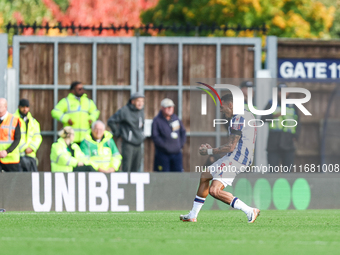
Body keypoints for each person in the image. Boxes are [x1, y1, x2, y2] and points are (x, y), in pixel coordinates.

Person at [180, 92, 260, 223]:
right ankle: (192, 215)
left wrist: (210, 151)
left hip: (237, 159)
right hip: (238, 156)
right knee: (205, 175)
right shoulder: (248, 114)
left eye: (222, 108)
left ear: (231, 105)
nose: (222, 111)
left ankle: (249, 210)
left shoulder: (237, 119)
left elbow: (231, 147)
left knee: (214, 190)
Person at [261, 83, 300, 167]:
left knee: (288, 170)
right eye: (280, 91)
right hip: (273, 143)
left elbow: (298, 121)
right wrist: (274, 115)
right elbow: (262, 118)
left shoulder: (293, 105)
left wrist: (296, 136)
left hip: (288, 142)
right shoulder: (271, 103)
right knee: (273, 170)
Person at [108, 92, 145, 172]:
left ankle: (134, 184)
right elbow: (111, 121)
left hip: (138, 143)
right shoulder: (125, 110)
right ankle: (126, 184)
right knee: (127, 167)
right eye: (138, 101)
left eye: (142, 101)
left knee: (137, 167)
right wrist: (118, 134)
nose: (140, 103)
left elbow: (141, 125)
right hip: (128, 143)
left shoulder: (141, 111)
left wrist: (141, 135)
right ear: (133, 101)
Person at [151, 98, 186, 172]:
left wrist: (180, 144)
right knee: (164, 176)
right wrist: (165, 146)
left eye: (171, 107)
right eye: (168, 107)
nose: (170, 109)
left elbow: (183, 132)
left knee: (178, 175)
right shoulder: (157, 120)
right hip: (163, 155)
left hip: (177, 154)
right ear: (162, 108)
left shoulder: (176, 118)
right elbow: (155, 136)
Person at [14, 99, 42, 172]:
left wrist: (32, 147)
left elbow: (37, 137)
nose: (25, 109)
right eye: (23, 107)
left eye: (27, 107)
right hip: (17, 156)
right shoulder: (13, 120)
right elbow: (13, 136)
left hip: (30, 156)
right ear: (19, 107)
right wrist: (25, 148)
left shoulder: (33, 122)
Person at [0, 98, 21, 172]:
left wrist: (7, 151)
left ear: (5, 107)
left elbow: (17, 139)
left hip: (11, 160)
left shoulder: (14, 120)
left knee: (14, 182)